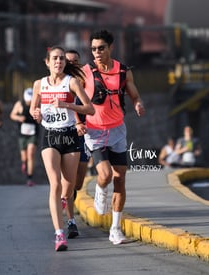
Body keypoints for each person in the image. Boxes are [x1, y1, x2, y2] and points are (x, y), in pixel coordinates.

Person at [82, 29, 145, 245]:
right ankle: (100, 190)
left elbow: (134, 95)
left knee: (120, 179)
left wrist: (138, 104)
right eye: (93, 49)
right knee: (106, 174)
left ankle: (115, 229)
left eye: (101, 48)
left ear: (111, 48)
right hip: (94, 131)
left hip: (118, 130)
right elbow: (75, 99)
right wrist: (78, 122)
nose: (96, 53)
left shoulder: (123, 72)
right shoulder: (85, 72)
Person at [29, 46, 95, 251]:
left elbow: (89, 108)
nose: (58, 62)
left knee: (69, 187)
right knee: (55, 184)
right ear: (47, 62)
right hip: (50, 136)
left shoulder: (72, 82)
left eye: (61, 59)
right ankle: (59, 234)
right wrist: (36, 113)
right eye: (54, 59)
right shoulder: (39, 84)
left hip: (70, 136)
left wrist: (67, 105)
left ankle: (64, 203)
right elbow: (33, 108)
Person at [64, 49, 87, 239]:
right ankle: (71, 221)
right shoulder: (58, 83)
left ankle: (70, 198)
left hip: (84, 135)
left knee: (78, 183)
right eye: (68, 61)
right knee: (68, 183)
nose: (72, 64)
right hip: (65, 134)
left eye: (75, 61)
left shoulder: (85, 82)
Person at [10, 87, 39, 186]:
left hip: (33, 133)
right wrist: (18, 117)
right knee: (24, 156)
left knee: (31, 154)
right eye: (27, 101)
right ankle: (24, 163)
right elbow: (12, 115)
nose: (29, 103)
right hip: (22, 134)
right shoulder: (19, 104)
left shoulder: (37, 104)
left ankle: (30, 178)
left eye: (30, 101)